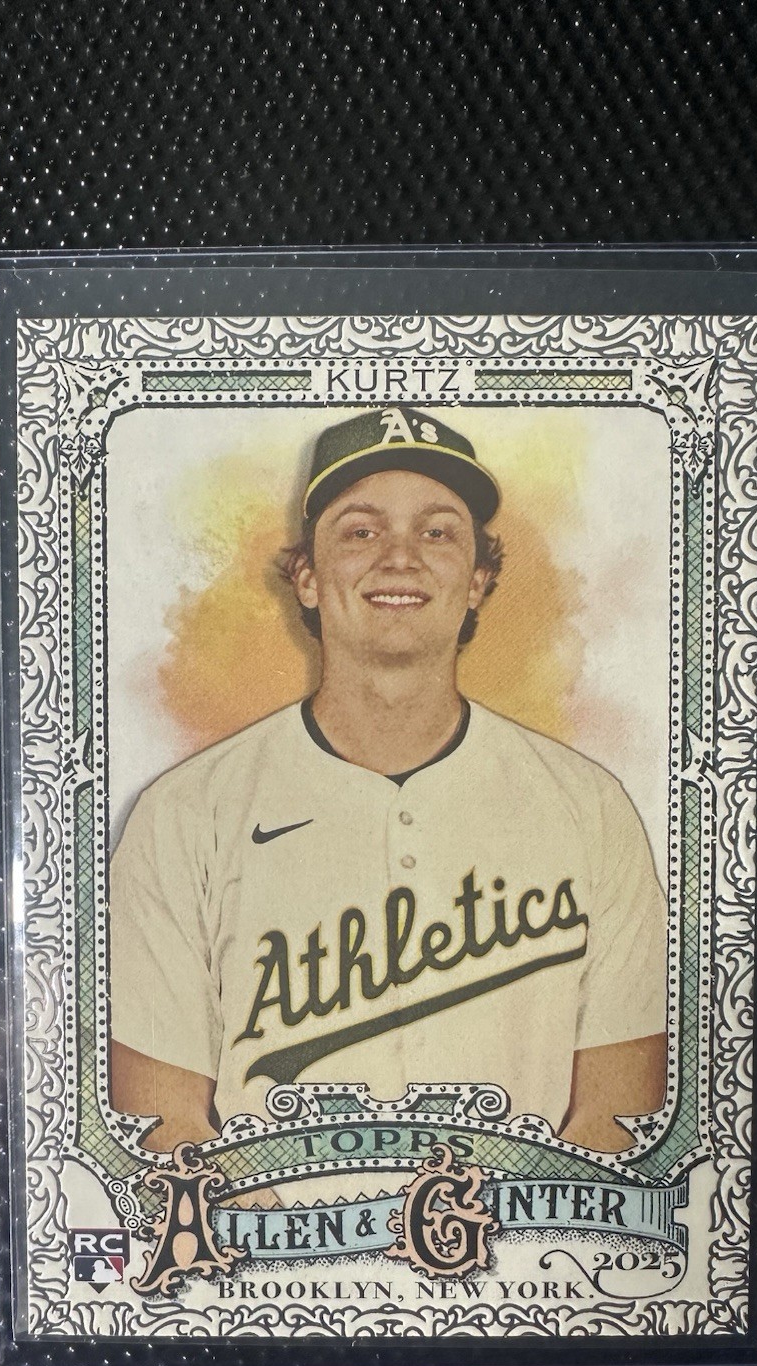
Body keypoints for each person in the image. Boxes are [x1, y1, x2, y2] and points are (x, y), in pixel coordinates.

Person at [109, 406, 667, 1161]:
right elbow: (158, 1124)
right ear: (308, 579)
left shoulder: (591, 809)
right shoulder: (183, 815)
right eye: (361, 532)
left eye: (437, 532)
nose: (400, 558)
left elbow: (621, 1118)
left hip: (528, 1234)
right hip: (268, 1234)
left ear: (478, 581)